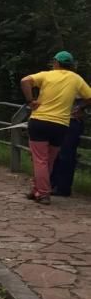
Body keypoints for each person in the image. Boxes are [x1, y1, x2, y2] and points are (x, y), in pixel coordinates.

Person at [21, 51, 91, 204]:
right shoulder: (76, 79)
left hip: (40, 121)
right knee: (49, 160)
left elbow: (25, 81)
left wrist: (30, 101)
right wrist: (81, 108)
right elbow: (89, 96)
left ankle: (43, 193)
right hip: (61, 124)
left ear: (56, 63)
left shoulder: (47, 75)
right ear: (71, 65)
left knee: (39, 160)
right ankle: (36, 189)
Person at [51, 103, 87, 197]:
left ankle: (63, 188)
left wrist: (81, 106)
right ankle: (53, 184)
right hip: (59, 118)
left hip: (72, 120)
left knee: (65, 155)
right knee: (56, 153)